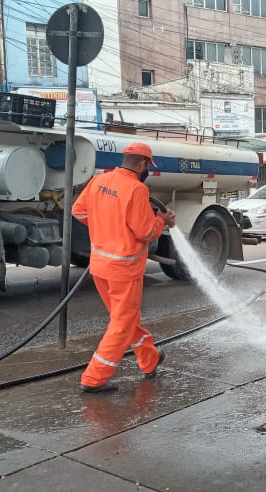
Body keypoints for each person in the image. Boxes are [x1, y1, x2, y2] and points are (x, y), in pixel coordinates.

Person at [71, 142, 176, 393]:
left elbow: (79, 211)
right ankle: (94, 378)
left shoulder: (99, 181)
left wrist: (105, 226)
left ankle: (149, 358)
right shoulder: (136, 189)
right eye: (147, 167)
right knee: (121, 324)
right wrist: (161, 220)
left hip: (100, 266)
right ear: (143, 164)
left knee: (125, 319)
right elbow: (145, 232)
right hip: (124, 269)